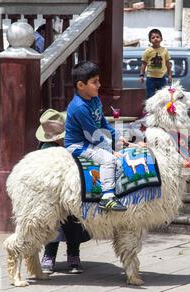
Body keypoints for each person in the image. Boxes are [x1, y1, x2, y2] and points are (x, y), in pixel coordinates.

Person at [65, 61, 128, 211]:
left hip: (91, 139)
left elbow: (102, 123)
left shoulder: (95, 99)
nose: (99, 85)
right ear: (81, 85)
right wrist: (110, 151)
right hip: (78, 145)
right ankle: (107, 197)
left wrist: (117, 137)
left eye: (98, 80)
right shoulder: (79, 107)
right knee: (109, 160)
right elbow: (93, 135)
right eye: (94, 82)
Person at [36, 109, 91, 274]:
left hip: (74, 188)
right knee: (53, 221)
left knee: (74, 220)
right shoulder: (46, 148)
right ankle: (49, 255)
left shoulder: (75, 141)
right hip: (52, 190)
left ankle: (73, 255)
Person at [139, 28, 172, 98]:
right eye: (153, 37)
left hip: (162, 77)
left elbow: (167, 63)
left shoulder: (164, 50)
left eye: (157, 37)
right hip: (151, 78)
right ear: (150, 40)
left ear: (161, 39)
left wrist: (169, 75)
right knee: (150, 96)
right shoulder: (148, 51)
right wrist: (141, 75)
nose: (155, 39)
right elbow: (144, 63)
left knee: (163, 97)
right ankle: (150, 109)